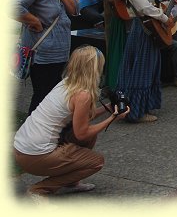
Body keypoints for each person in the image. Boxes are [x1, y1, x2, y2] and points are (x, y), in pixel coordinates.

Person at [13, 46, 129, 200]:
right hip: (36, 155)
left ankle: (71, 182)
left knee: (90, 137)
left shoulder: (68, 83)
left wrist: (108, 109)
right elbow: (82, 132)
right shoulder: (83, 95)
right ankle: (39, 189)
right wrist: (113, 118)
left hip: (22, 149)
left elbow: (83, 120)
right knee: (97, 162)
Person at [16, 0, 77, 116]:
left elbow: (74, 9)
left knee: (53, 98)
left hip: (58, 54)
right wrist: (33, 20)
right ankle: (30, 137)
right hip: (43, 56)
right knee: (43, 98)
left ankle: (45, 136)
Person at [118, 0, 174, 123]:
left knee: (146, 67)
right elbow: (144, 7)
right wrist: (164, 18)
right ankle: (136, 111)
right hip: (144, 30)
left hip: (143, 29)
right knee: (142, 68)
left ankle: (141, 106)